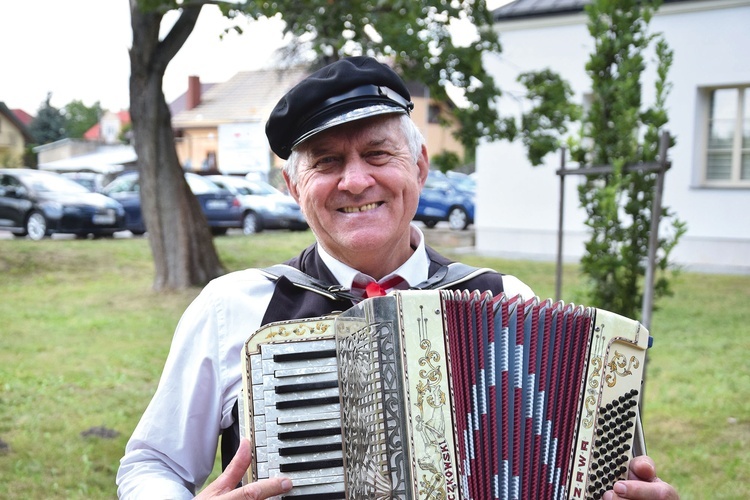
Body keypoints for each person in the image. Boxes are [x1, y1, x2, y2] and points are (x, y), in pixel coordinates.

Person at [117, 56, 678, 500]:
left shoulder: (508, 303)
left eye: (377, 153)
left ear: (420, 166)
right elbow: (152, 463)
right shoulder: (232, 307)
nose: (356, 180)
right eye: (327, 161)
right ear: (293, 188)